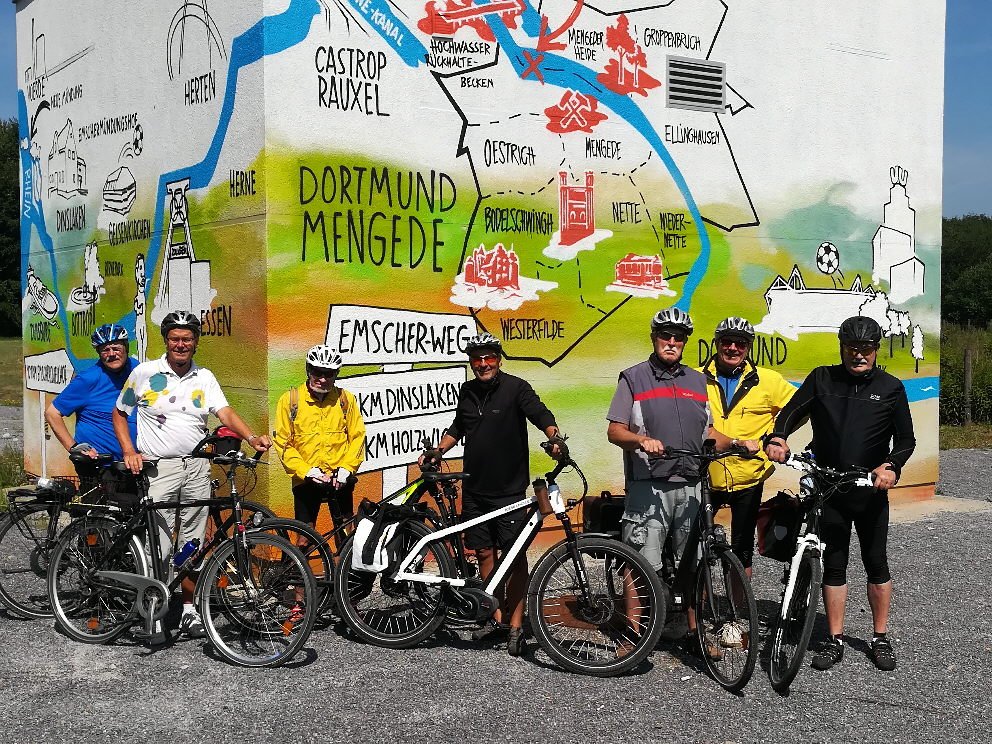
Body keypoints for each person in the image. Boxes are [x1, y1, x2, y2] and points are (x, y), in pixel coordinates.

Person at [764, 315, 915, 672]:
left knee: (876, 562)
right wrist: (779, 437)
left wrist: (892, 466)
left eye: (865, 348)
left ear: (876, 349)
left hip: (868, 491)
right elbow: (791, 412)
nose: (858, 355)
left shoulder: (891, 387)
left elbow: (906, 440)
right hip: (829, 488)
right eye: (851, 348)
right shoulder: (822, 378)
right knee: (834, 565)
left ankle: (880, 637)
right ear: (842, 348)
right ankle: (835, 639)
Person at [114, 310, 271, 638]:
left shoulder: (204, 377)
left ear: (196, 342)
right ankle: (154, 611)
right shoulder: (145, 373)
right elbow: (119, 412)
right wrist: (129, 450)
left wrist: (251, 437)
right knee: (159, 545)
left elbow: (224, 412)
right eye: (175, 338)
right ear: (166, 341)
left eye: (187, 339)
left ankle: (189, 610)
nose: (180, 344)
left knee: (193, 544)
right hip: (159, 468)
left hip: (197, 467)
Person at [424, 333, 564, 657]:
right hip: (475, 489)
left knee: (514, 559)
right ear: (472, 362)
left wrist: (555, 438)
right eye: (477, 358)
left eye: (489, 357)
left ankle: (516, 625)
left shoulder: (516, 388)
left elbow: (541, 415)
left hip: (509, 491)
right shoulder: (467, 391)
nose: (484, 364)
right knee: (484, 553)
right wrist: (438, 451)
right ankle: (495, 617)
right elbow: (458, 427)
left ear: (498, 359)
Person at [606, 307, 735, 656]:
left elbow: (708, 432)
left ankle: (695, 632)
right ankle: (633, 636)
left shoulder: (697, 381)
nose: (672, 342)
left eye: (679, 337)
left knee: (695, 563)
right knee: (639, 562)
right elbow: (615, 430)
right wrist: (640, 440)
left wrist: (737, 443)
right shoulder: (633, 378)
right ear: (654, 337)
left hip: (692, 484)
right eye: (666, 335)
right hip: (649, 484)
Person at [700, 317, 795, 578]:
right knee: (697, 548)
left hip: (748, 474)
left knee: (742, 550)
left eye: (740, 343)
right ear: (717, 343)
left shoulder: (768, 380)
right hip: (706, 473)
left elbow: (798, 407)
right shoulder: (695, 378)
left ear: (748, 347)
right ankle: (697, 600)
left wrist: (777, 436)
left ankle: (738, 604)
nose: (733, 348)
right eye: (727, 341)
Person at [272, 345, 365, 545]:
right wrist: (306, 471)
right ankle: (299, 566)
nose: (322, 379)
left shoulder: (345, 399)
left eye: (328, 374)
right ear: (308, 370)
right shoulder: (291, 400)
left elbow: (358, 436)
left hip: (339, 477)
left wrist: (347, 468)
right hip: (307, 478)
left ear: (336, 374)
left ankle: (343, 566)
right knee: (304, 539)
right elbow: (283, 442)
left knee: (346, 536)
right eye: (317, 372)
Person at [46, 323, 139, 491]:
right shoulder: (88, 379)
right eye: (105, 350)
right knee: (99, 507)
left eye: (116, 348)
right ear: (98, 353)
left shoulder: (137, 370)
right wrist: (73, 447)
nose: (112, 354)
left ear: (126, 347)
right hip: (99, 464)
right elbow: (52, 413)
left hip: (133, 462)